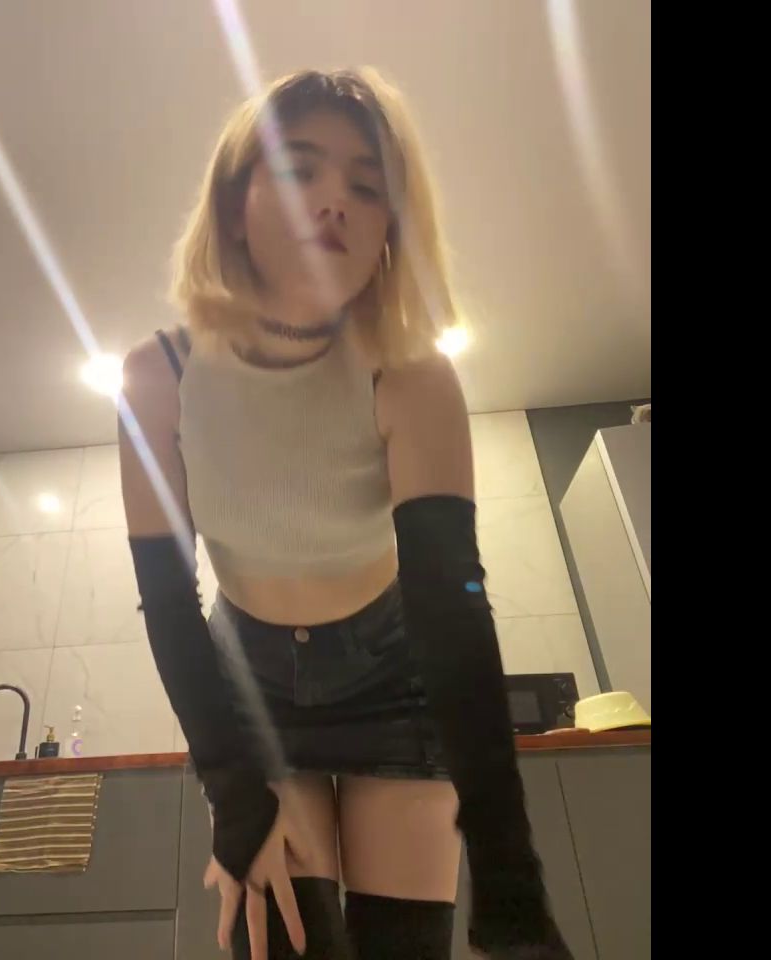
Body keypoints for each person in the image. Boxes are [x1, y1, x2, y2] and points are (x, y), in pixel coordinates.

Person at [119, 67, 573, 960]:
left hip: (397, 672)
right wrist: (231, 793)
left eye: (368, 188)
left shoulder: (412, 375)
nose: (335, 201)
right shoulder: (157, 377)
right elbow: (168, 601)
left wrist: (508, 862)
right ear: (235, 202)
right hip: (250, 686)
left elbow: (450, 606)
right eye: (301, 171)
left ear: (390, 233)